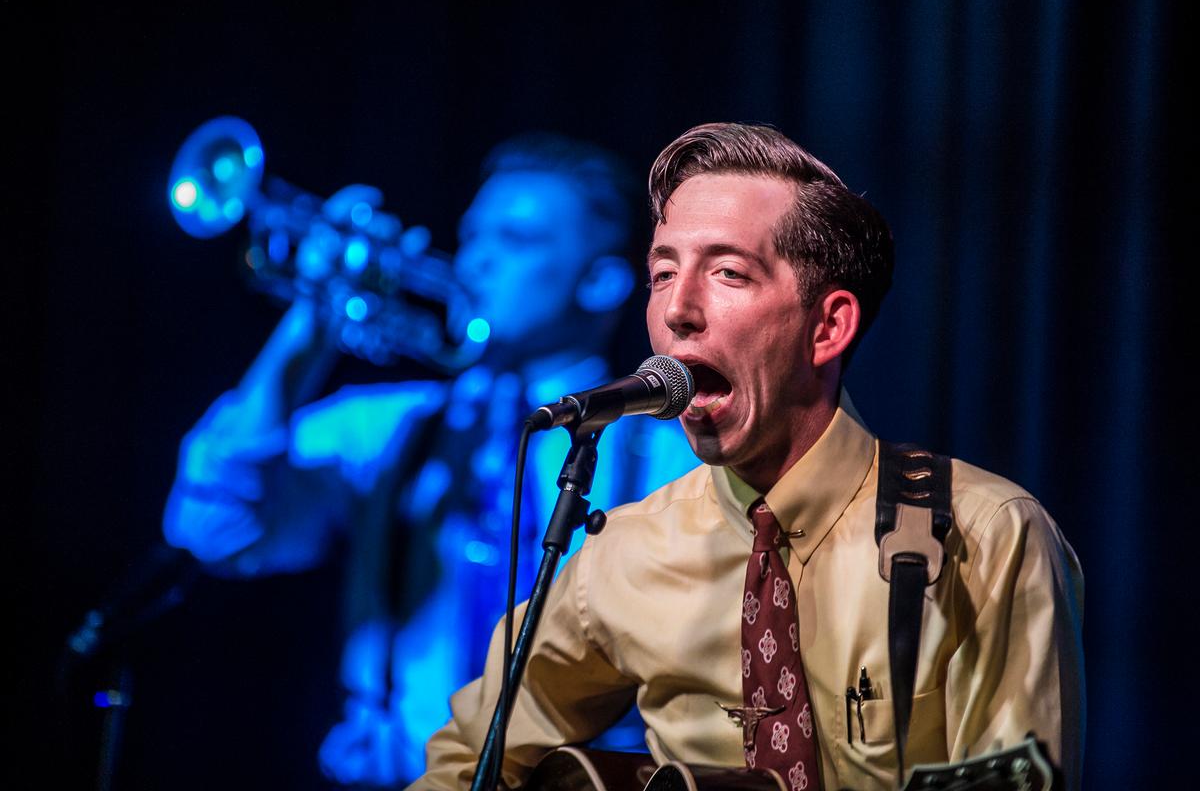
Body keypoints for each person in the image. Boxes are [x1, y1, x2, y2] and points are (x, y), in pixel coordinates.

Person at [412, 123, 1085, 791]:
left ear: (827, 327)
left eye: (728, 272)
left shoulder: (984, 534)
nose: (678, 309)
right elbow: (465, 762)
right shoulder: (625, 552)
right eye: (663, 272)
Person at [161, 133, 699, 785]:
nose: (476, 261)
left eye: (517, 240)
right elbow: (210, 527)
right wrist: (310, 325)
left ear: (601, 281)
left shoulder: (673, 462)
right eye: (474, 236)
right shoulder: (387, 425)